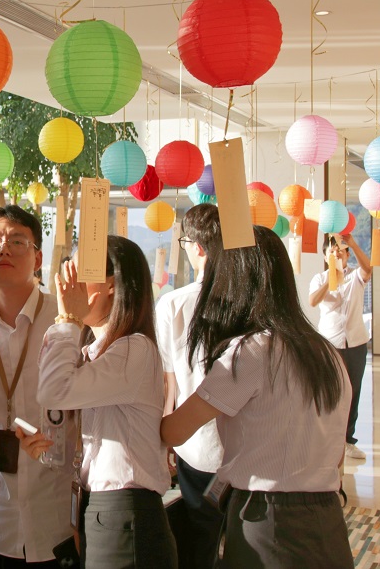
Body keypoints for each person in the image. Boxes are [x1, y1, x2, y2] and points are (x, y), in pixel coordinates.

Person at [160, 226, 352, 568]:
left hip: (269, 519)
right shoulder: (327, 354)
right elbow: (336, 452)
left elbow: (174, 431)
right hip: (327, 514)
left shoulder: (251, 352)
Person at [37, 235, 178, 569]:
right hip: (107, 510)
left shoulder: (133, 349)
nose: (67, 285)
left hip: (124, 511)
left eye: (77, 273)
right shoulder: (100, 352)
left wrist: (67, 320)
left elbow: (53, 390)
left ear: (112, 285)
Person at [0, 206, 73, 568]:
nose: (3, 248)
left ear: (37, 258)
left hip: (60, 519)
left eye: (17, 241)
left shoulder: (66, 322)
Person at [154, 203, 223, 569]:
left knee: (200, 539)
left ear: (196, 246)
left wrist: (166, 438)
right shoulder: (246, 300)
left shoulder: (173, 303)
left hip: (194, 441)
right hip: (245, 443)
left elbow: (170, 382)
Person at [309, 232, 372, 460]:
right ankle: (325, 439)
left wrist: (352, 243)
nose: (337, 254)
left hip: (356, 343)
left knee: (353, 391)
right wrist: (331, 279)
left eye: (341, 251)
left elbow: (369, 269)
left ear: (347, 255)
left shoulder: (355, 276)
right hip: (330, 343)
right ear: (325, 256)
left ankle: (347, 440)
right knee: (329, 390)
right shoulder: (319, 279)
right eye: (332, 251)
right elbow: (313, 301)